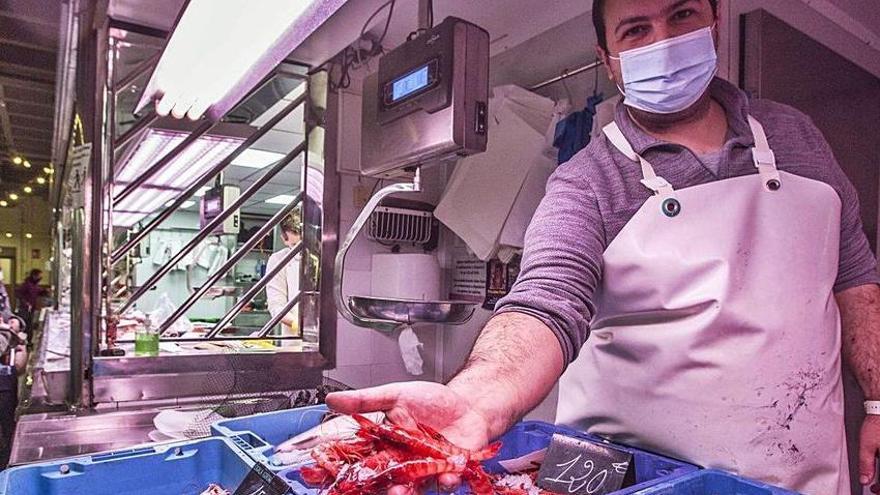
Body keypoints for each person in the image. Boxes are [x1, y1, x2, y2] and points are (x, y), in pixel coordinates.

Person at [326, 1, 880, 493]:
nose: (663, 42)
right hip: (643, 476)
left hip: (801, 471)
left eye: (682, 15)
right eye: (636, 30)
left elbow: (854, 274)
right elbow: (546, 301)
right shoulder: (586, 182)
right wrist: (477, 398)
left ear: (717, 18)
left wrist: (877, 402)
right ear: (608, 56)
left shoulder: (797, 136)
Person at [266, 210, 302, 337]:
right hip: (294, 339)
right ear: (284, 239)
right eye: (294, 245)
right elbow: (276, 306)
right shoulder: (278, 260)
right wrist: (298, 325)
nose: (301, 251)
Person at [15, 269, 48, 333]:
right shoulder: (26, 284)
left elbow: (38, 291)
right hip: (24, 308)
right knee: (24, 324)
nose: (40, 278)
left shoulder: (35, 284)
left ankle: (29, 341)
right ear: (34, 276)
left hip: (31, 308)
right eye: (39, 276)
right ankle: (23, 340)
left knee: (29, 325)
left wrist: (45, 291)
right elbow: (19, 294)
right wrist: (25, 303)